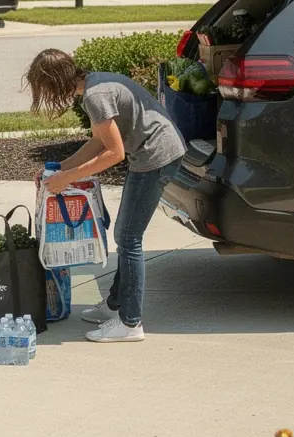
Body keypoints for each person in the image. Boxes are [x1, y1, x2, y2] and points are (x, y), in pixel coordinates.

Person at [24, 49, 184, 343]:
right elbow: (98, 142)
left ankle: (130, 323)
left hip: (156, 156)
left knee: (129, 238)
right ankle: (115, 305)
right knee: (127, 236)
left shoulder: (95, 96)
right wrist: (58, 169)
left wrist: (67, 179)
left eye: (44, 87)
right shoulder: (96, 83)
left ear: (54, 81)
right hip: (154, 152)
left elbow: (114, 153)